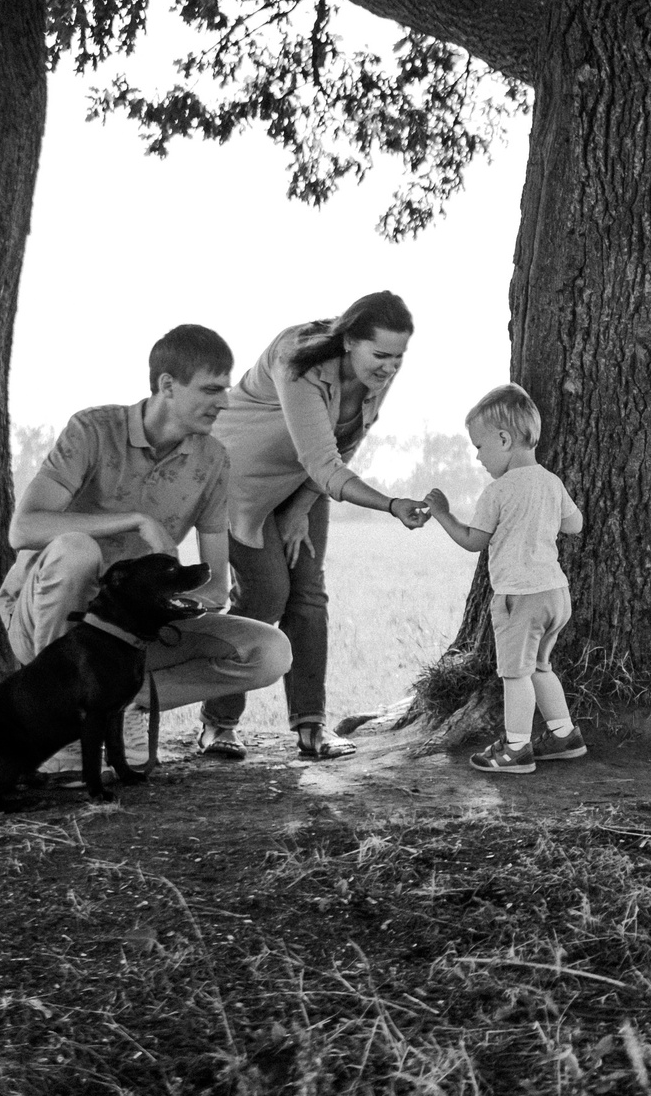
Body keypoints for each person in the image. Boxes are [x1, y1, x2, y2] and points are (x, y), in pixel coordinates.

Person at [0, 325, 289, 742]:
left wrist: (165, 604)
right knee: (77, 550)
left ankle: (120, 702)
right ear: (167, 385)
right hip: (45, 621)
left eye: (225, 389)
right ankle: (56, 709)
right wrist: (135, 520)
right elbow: (23, 528)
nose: (224, 402)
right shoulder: (93, 429)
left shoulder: (213, 460)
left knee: (269, 651)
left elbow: (215, 586)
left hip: (127, 633)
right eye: (211, 389)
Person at [209, 291, 433, 760]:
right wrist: (392, 504)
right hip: (240, 479)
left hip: (303, 482)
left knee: (308, 593)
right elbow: (324, 461)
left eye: (399, 357)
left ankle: (311, 726)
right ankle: (218, 723)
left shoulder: (374, 373)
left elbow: (345, 443)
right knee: (266, 595)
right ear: (349, 340)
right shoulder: (298, 359)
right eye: (381, 355)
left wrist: (300, 507)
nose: (390, 367)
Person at [423, 382, 586, 774]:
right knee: (541, 666)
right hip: (556, 595)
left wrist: (442, 514)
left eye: (479, 446)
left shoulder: (498, 491)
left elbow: (473, 541)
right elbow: (575, 525)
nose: (477, 456)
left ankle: (516, 748)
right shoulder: (551, 481)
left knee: (516, 675)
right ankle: (564, 735)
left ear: (503, 439)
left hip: (520, 597)